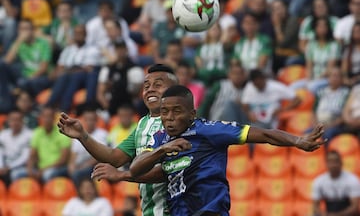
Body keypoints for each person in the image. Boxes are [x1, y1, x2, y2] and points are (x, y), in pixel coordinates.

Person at [129, 85, 325, 216]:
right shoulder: (160, 139)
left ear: (192, 114)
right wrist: (162, 150)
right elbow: (136, 168)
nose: (169, 117)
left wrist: (298, 140)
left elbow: (264, 134)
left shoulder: (210, 130)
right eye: (164, 112)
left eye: (177, 111)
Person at [57, 64, 179, 216]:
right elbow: (115, 157)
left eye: (158, 85)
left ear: (175, 91)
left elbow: (171, 169)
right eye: (146, 86)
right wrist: (83, 136)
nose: (150, 89)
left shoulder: (179, 122)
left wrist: (123, 175)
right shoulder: (142, 124)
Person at [27, 106, 71, 183]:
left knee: (48, 174)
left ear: (54, 118)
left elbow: (63, 160)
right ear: (41, 118)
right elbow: (32, 155)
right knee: (18, 174)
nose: (47, 119)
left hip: (58, 168)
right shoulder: (37, 132)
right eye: (44, 117)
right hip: (40, 168)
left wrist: (44, 170)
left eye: (49, 117)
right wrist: (30, 169)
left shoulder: (62, 132)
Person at [68, 106, 108, 187]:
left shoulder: (102, 134)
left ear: (96, 120)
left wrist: (84, 165)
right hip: (78, 165)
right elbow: (73, 157)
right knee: (53, 174)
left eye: (92, 119)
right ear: (84, 120)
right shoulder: (78, 134)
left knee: (77, 174)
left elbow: (101, 155)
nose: (89, 122)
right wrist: (71, 167)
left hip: (94, 166)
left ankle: (80, 195)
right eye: (87, 119)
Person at [312, 150, 360, 216]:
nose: (333, 165)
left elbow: (354, 207)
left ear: (341, 162)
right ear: (326, 163)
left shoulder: (352, 179)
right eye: (330, 161)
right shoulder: (319, 181)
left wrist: (337, 215)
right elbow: (315, 207)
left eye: (336, 161)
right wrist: (324, 214)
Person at [0, 109, 32, 186]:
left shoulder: (30, 135)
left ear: (22, 121)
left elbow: (25, 157)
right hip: (4, 166)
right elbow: (0, 153)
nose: (15, 123)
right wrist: (1, 167)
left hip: (22, 166)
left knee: (15, 174)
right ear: (8, 121)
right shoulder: (3, 134)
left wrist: (9, 167)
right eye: (12, 120)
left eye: (17, 120)